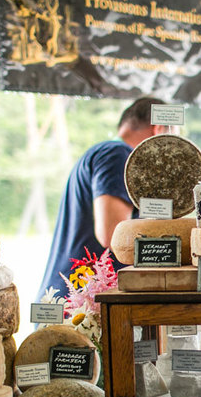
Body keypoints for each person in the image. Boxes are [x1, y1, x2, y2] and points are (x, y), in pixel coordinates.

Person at [37, 96, 170, 299]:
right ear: (158, 129)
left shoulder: (105, 153)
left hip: (71, 297)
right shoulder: (118, 155)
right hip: (82, 304)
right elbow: (112, 235)